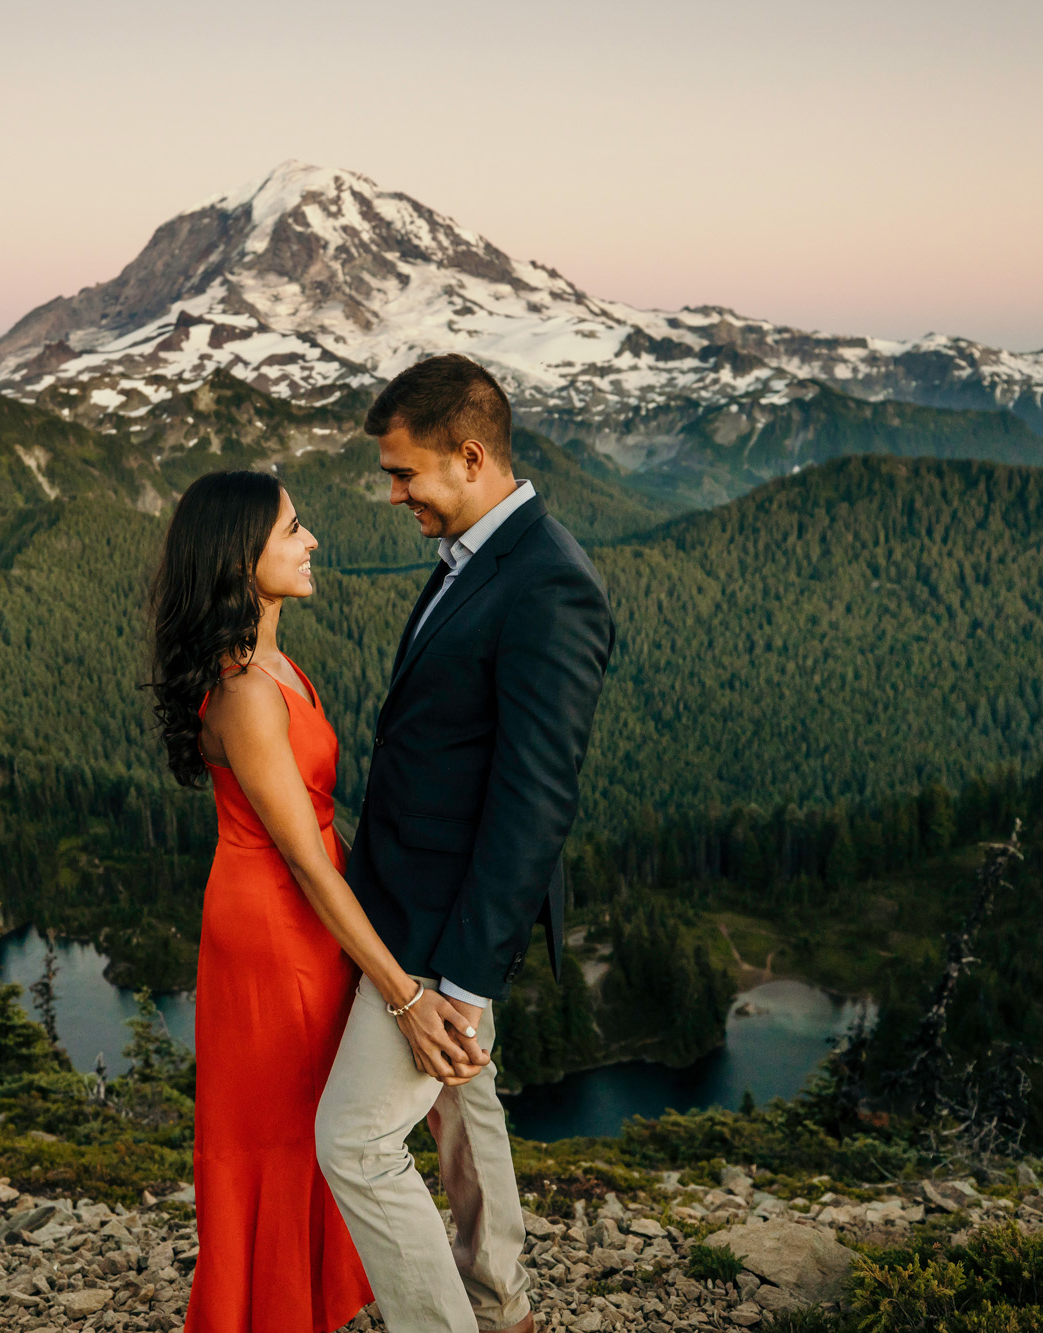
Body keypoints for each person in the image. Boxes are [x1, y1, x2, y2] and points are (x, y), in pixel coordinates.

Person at [147, 471, 492, 1333]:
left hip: (304, 911)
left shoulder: (271, 662)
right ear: (240, 559)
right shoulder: (246, 692)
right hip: (273, 927)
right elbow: (305, 862)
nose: (311, 542)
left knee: (313, 1127)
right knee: (282, 1128)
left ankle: (296, 1306)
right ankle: (263, 1313)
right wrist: (405, 994)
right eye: (292, 529)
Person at [316, 354, 614, 1333]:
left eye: (405, 475)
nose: (393, 494)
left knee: (354, 1144)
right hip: (405, 898)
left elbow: (534, 795)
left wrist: (462, 980)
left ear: (470, 455)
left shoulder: (548, 585)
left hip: (446, 922)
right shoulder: (480, 557)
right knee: (459, 1106)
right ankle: (499, 1306)